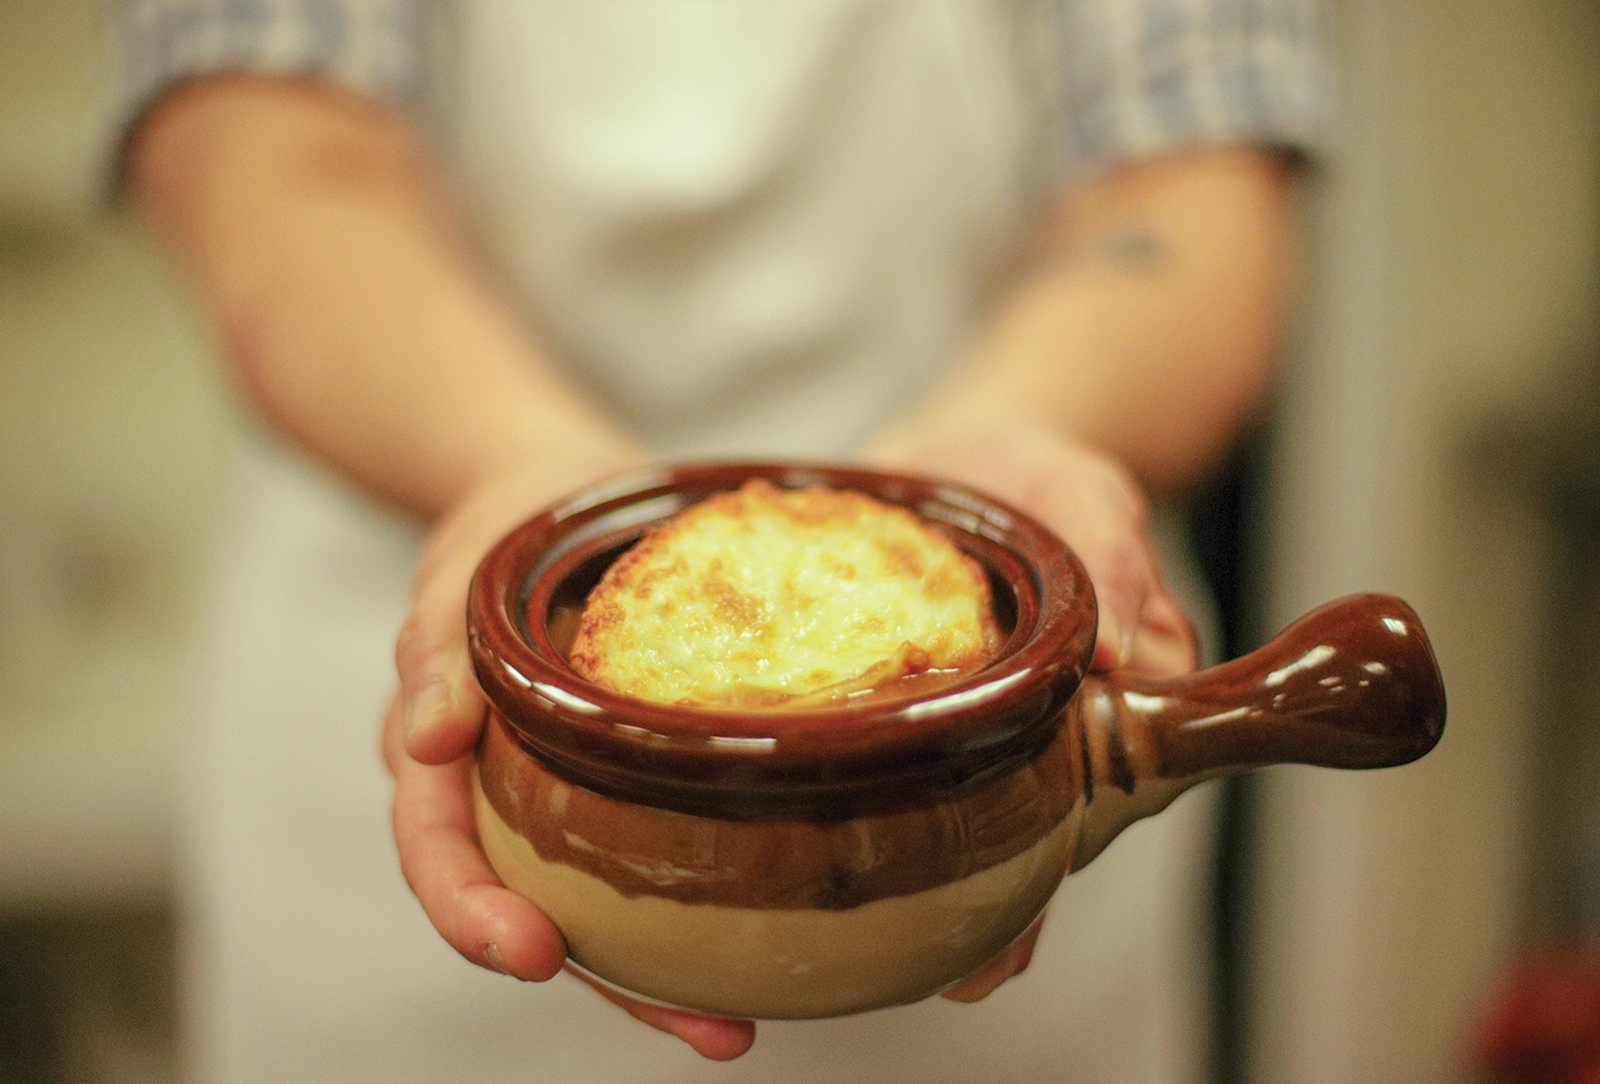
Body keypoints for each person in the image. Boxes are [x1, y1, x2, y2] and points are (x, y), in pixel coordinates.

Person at [116, 0, 1329, 1079]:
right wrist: (527, 479)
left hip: (983, 853)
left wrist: (1002, 441)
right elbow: (276, 167)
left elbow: (1182, 199)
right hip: (437, 831)